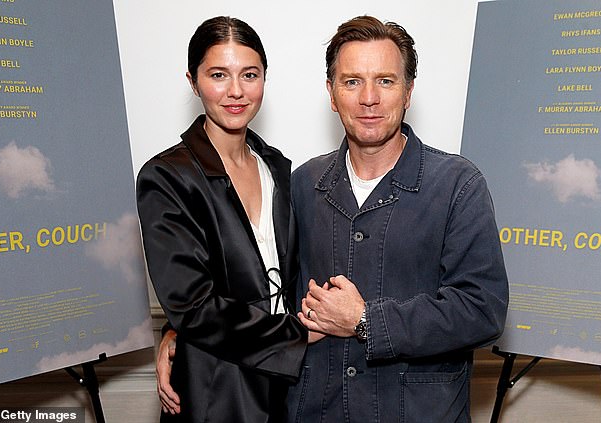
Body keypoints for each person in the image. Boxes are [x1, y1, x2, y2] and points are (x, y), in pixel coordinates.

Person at [156, 15, 509, 423]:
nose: (369, 98)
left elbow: (483, 310)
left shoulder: (458, 186)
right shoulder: (301, 183)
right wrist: (178, 328)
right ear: (331, 92)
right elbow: (252, 271)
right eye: (352, 81)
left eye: (386, 81)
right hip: (314, 410)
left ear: (408, 92)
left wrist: (364, 320)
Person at [136, 16, 309, 423]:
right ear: (193, 82)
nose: (236, 91)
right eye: (218, 75)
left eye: (250, 75)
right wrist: (297, 335)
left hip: (290, 387)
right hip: (217, 390)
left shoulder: (278, 168)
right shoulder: (166, 176)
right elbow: (194, 304)